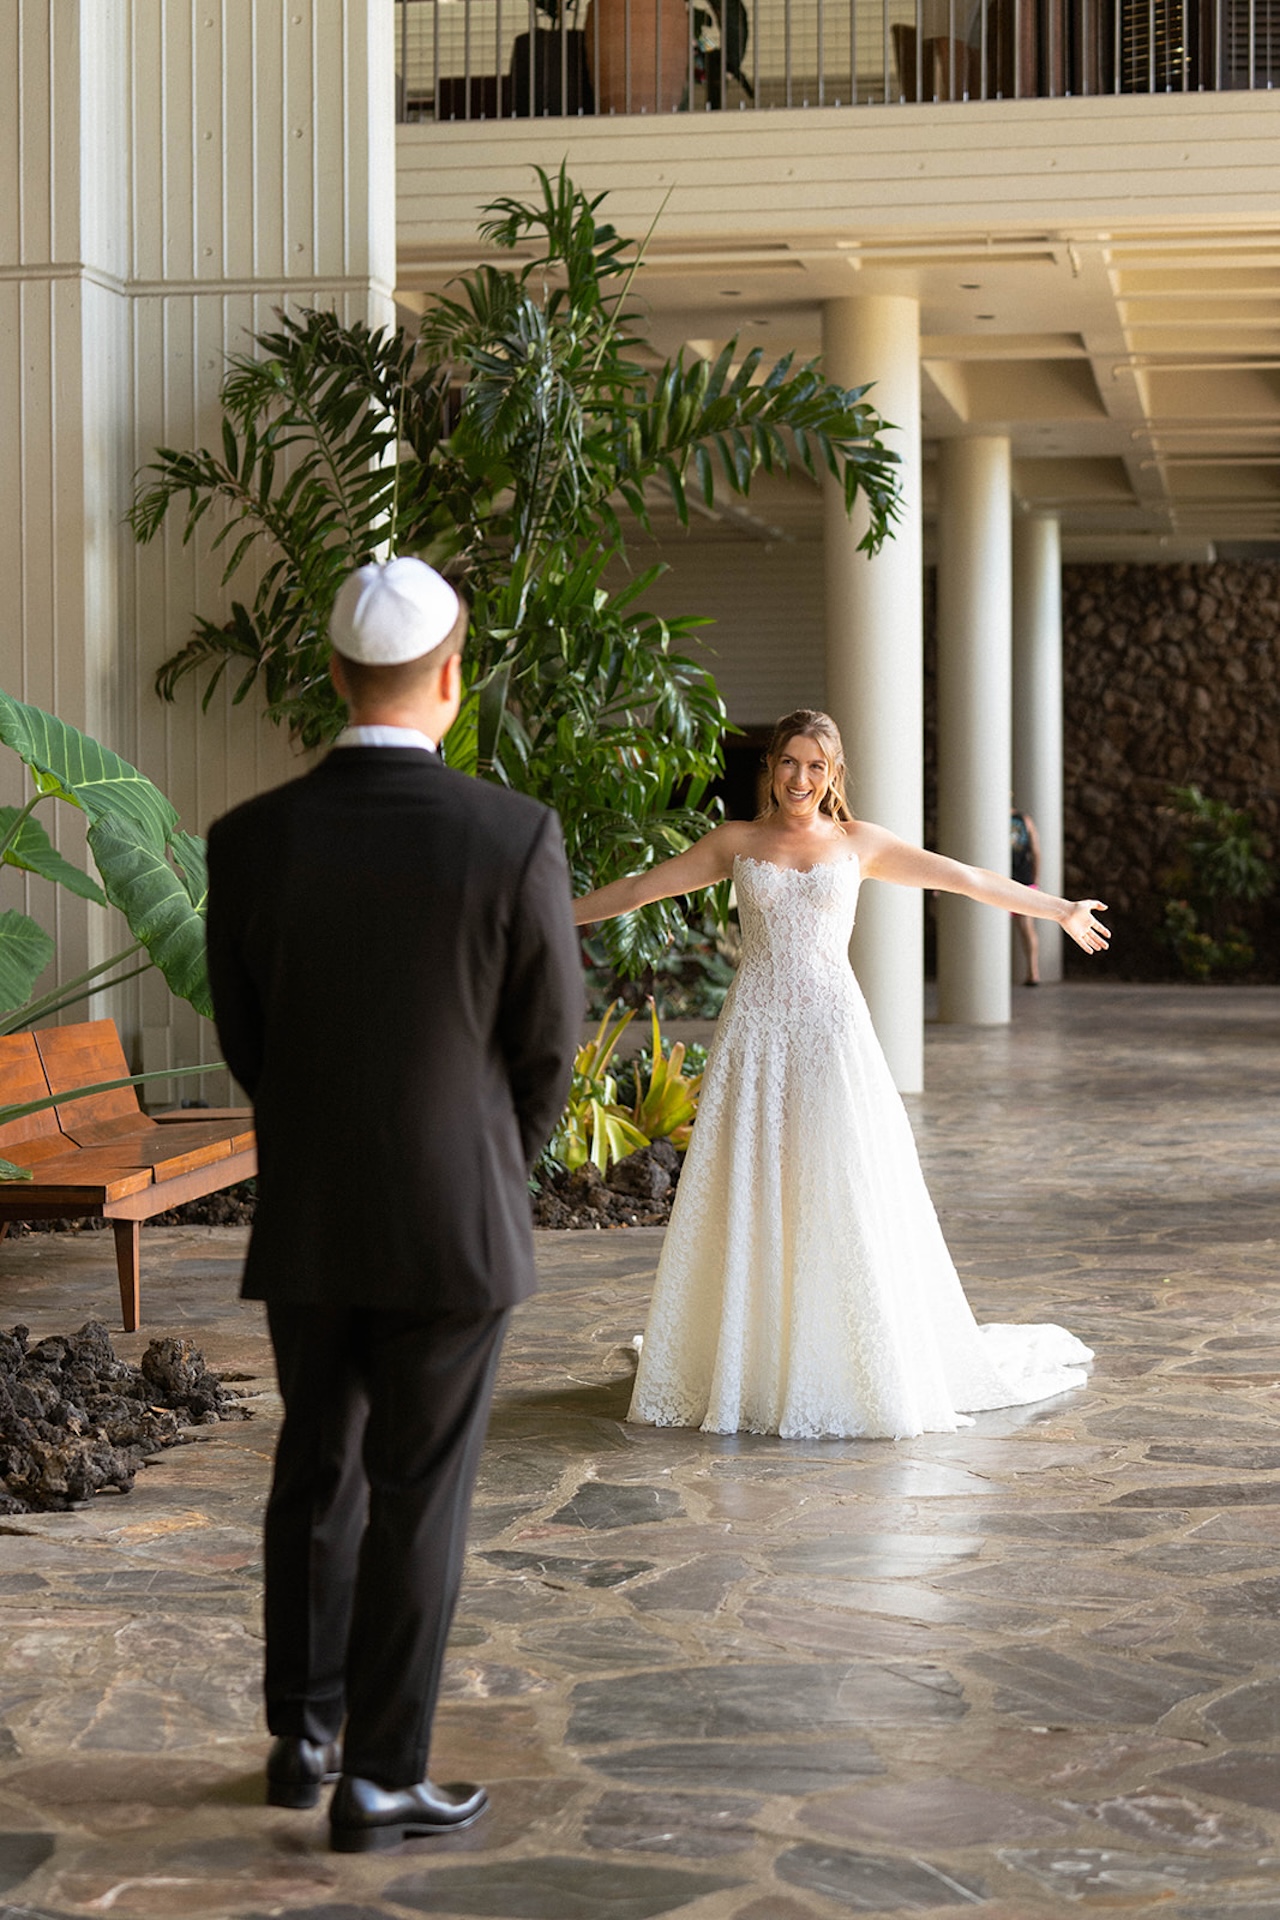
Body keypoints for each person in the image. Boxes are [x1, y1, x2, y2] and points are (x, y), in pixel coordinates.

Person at [205, 558, 583, 1852]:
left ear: (329, 675)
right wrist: (484, 1160)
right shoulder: (512, 834)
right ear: (451, 675)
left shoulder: (251, 838)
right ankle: (381, 1775)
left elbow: (248, 1042)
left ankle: (300, 1736)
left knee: (320, 1470)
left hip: (308, 1214)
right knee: (420, 1492)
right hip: (454, 1225)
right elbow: (548, 1049)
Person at [574, 708, 1107, 1441]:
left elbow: (966, 878)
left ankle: (842, 1356)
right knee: (755, 1185)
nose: (800, 778)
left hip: (831, 1032)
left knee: (837, 1181)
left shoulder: (860, 844)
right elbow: (639, 889)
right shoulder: (737, 842)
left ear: (835, 775)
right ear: (771, 768)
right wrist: (546, 915)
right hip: (755, 1035)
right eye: (788, 763)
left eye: (815, 766)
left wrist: (1058, 908)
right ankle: (752, 1357)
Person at [1010, 802, 1042, 985]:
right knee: (1026, 928)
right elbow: (1036, 851)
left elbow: (1036, 850)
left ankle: (1033, 972)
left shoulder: (1022, 820)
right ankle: (1033, 972)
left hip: (1012, 877)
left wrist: (1034, 879)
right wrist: (1035, 878)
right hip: (1022, 877)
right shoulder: (1024, 820)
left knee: (1025, 928)